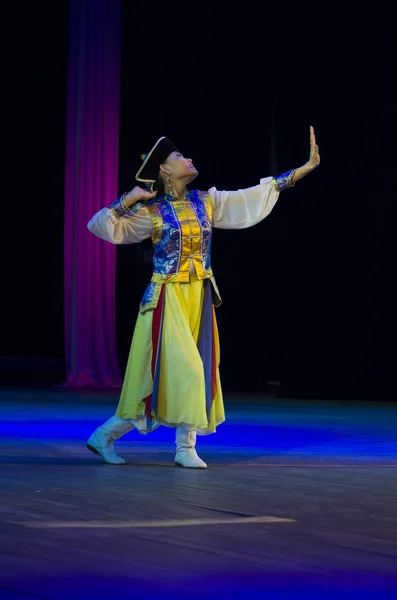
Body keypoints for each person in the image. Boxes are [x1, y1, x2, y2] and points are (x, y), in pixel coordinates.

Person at [86, 128, 320, 468]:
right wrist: (128, 200)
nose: (188, 159)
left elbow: (251, 196)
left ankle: (108, 436)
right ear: (164, 170)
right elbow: (100, 226)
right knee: (187, 372)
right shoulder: (151, 212)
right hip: (166, 299)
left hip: (199, 294)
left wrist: (304, 168)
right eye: (179, 157)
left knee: (181, 374)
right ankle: (183, 448)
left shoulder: (205, 201)